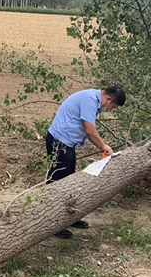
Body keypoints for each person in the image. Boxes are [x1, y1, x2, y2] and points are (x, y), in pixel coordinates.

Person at [46, 85, 126, 239]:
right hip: (59, 142)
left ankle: (69, 218)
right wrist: (104, 146)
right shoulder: (89, 100)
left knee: (69, 181)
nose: (110, 110)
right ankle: (53, 223)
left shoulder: (93, 99)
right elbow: (90, 131)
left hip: (67, 143)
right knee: (57, 183)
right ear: (108, 99)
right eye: (113, 107)